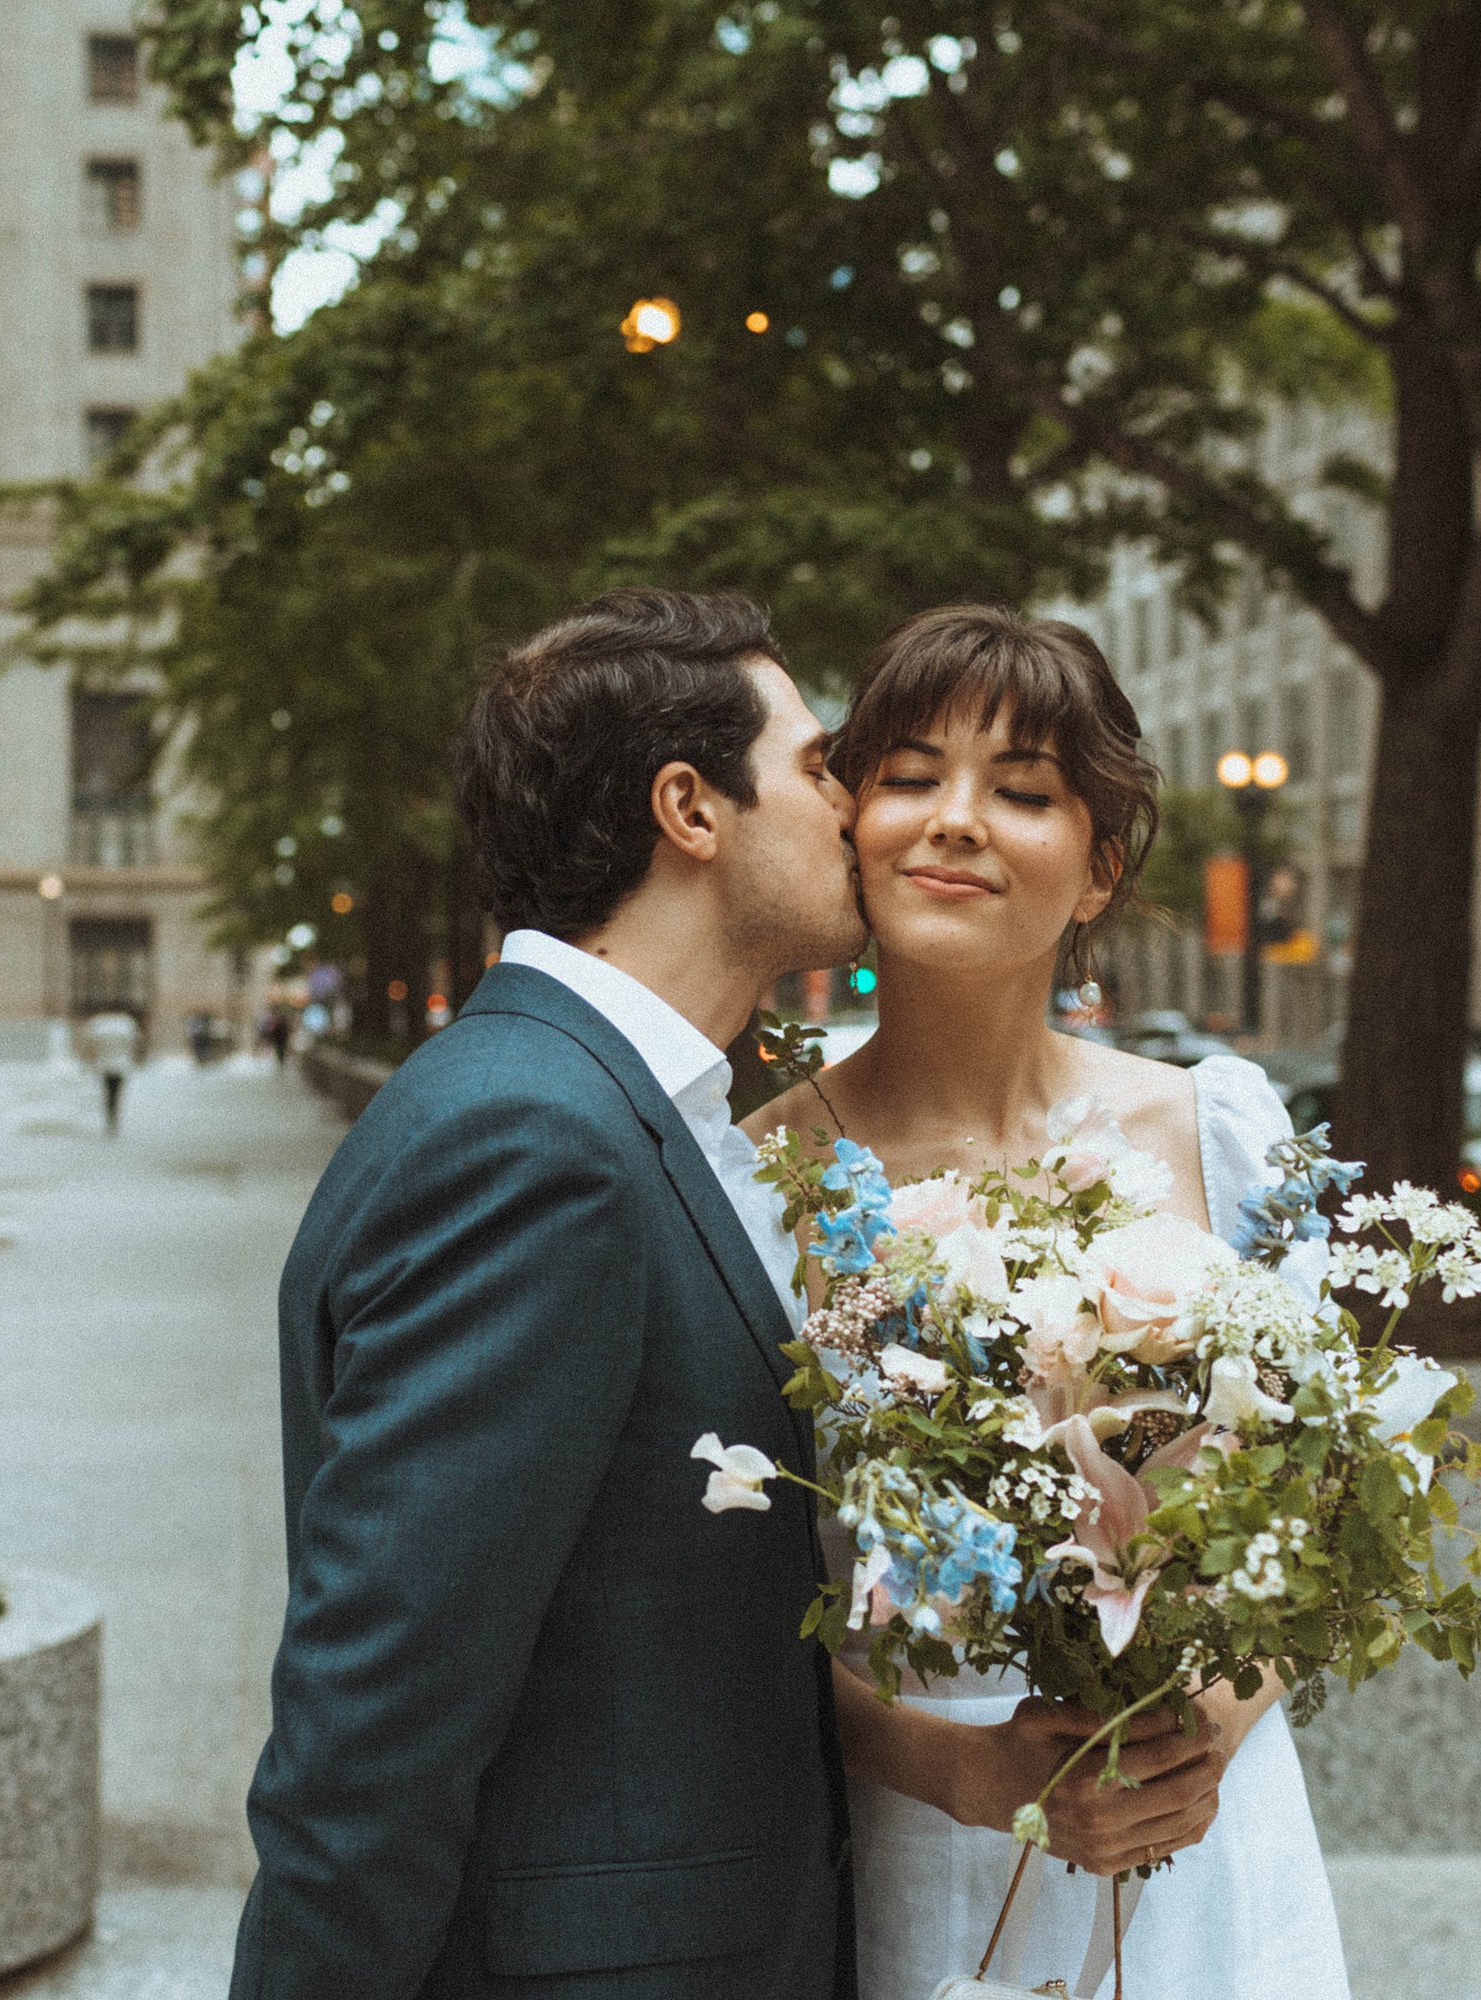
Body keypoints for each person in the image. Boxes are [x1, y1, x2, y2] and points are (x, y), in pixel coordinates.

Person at [233, 590, 875, 1998]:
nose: (855, 804)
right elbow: (377, 1720)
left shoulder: (618, 1108)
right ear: (690, 809)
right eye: (821, 764)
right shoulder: (531, 1142)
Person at [747, 605, 1348, 1999]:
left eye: (1020, 792)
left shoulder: (1223, 1133)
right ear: (847, 821)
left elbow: (1322, 1495)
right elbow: (704, 1611)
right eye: (907, 776)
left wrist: (1194, 1725)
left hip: (1200, 1831)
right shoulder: (755, 1174)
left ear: (1100, 869)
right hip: (909, 1842)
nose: (954, 822)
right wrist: (964, 1769)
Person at [79, 1007, 140, 1132]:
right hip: (120, 1064)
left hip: (104, 1064)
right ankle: (113, 1116)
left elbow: (88, 1045)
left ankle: (110, 1117)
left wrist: (89, 1060)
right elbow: (135, 1042)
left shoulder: (98, 1024)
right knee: (116, 1092)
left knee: (108, 1091)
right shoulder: (125, 1023)